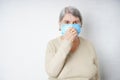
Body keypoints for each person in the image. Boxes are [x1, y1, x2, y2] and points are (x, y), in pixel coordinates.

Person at [45, 6, 100, 80]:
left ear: (81, 24)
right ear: (60, 24)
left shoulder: (89, 45)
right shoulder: (52, 44)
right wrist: (66, 43)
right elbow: (52, 72)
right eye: (67, 22)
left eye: (75, 22)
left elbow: (96, 75)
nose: (71, 26)